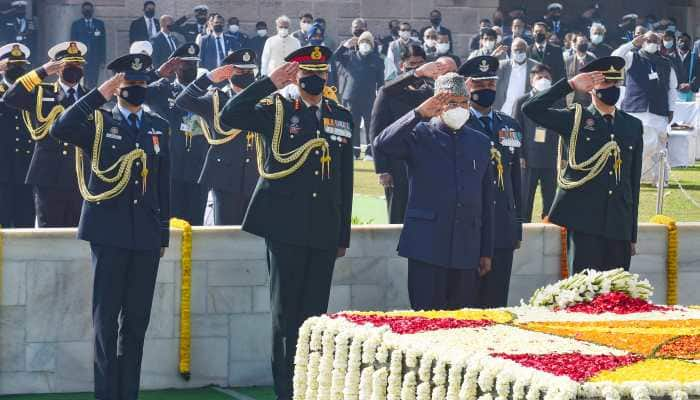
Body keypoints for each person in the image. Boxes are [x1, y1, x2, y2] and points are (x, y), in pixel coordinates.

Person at [219, 45, 353, 400]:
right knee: (284, 317)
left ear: (327, 76)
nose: (315, 79)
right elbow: (231, 116)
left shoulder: (339, 115)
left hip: (323, 230)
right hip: (285, 229)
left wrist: (342, 235)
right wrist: (269, 83)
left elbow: (345, 179)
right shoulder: (276, 109)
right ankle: (286, 392)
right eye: (307, 73)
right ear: (295, 74)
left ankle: (309, 388)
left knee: (314, 319)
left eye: (321, 73)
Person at [50, 51, 170, 400]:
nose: (138, 89)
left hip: (146, 236)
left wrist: (162, 233)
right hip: (108, 232)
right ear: (118, 86)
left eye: (142, 83)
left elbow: (163, 186)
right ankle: (106, 394)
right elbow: (61, 128)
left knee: (136, 322)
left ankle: (128, 393)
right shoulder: (99, 123)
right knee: (105, 322)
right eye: (130, 83)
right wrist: (97, 95)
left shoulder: (157, 126)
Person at [373, 72, 494, 310]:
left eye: (463, 102)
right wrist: (417, 114)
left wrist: (485, 250)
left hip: (466, 248)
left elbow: (485, 199)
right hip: (427, 246)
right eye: (451, 102)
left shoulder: (479, 142)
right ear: (437, 104)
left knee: (461, 323)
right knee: (426, 318)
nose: (458, 108)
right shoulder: (418, 133)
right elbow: (382, 144)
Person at [523, 56, 642, 272]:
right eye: (606, 83)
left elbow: (632, 182)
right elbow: (531, 109)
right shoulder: (575, 118)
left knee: (618, 296)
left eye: (615, 83)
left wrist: (631, 233)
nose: (612, 88)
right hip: (585, 220)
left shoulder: (633, 125)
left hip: (619, 222)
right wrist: (569, 86)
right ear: (591, 87)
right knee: (583, 292)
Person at [4, 41, 89, 227]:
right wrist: (42, 71)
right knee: (49, 232)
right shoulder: (42, 93)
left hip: (80, 176)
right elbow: (10, 97)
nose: (74, 69)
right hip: (49, 176)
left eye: (77, 64)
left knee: (78, 234)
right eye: (68, 65)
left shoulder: (89, 96)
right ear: (57, 68)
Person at [462, 56, 523, 308]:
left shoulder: (509, 125)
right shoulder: (459, 122)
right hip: (470, 223)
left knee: (497, 301)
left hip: (502, 226)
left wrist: (517, 225)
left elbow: (516, 180)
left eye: (490, 83)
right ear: (467, 86)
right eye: (479, 84)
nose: (486, 89)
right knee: (468, 303)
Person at [176, 48, 259, 225]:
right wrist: (208, 79)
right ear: (229, 73)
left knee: (254, 240)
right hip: (225, 179)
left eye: (249, 71)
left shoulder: (261, 100)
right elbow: (182, 100)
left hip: (255, 176)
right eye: (241, 71)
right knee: (226, 236)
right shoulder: (215, 100)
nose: (246, 75)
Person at [371, 47, 452, 224]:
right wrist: (382, 170)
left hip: (424, 162)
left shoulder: (429, 91)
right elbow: (376, 131)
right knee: (398, 214)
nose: (417, 67)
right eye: (412, 64)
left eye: (421, 63)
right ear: (402, 66)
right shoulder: (388, 93)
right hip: (396, 165)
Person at [146, 43, 208, 225]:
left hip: (199, 169)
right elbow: (136, 93)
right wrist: (157, 74)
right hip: (170, 168)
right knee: (170, 222)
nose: (192, 68)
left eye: (194, 64)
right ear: (176, 67)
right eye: (186, 64)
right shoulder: (162, 89)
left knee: (196, 224)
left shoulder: (207, 92)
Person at [613, 32, 677, 184]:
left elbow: (672, 88)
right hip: (635, 110)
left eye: (655, 40)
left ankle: (660, 179)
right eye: (649, 40)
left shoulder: (666, 62)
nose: (652, 43)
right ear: (642, 41)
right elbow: (615, 57)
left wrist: (671, 109)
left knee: (659, 147)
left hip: (658, 111)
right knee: (633, 146)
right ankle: (631, 177)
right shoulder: (631, 57)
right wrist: (632, 44)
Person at [512, 64, 561, 222]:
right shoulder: (521, 101)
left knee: (551, 199)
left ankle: (549, 226)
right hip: (528, 159)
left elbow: (564, 130)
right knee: (525, 199)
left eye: (547, 77)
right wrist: (519, 155)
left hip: (551, 158)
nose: (543, 80)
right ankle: (523, 230)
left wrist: (564, 156)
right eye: (539, 77)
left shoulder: (557, 101)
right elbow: (515, 130)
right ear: (531, 80)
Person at [0, 43, 35, 228]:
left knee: (26, 223)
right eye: (12, 66)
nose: (16, 70)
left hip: (25, 168)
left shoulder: (33, 93)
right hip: (2, 171)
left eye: (20, 66)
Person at [335, 31, 384, 159]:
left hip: (369, 98)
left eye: (367, 42)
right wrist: (344, 46)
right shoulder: (349, 56)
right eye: (362, 42)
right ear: (358, 44)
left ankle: (369, 152)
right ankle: (353, 152)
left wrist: (381, 98)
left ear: (372, 45)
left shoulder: (377, 60)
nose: (365, 44)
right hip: (351, 97)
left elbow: (381, 83)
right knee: (353, 125)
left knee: (370, 125)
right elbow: (334, 58)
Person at [495, 37, 538, 115]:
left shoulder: (535, 66)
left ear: (526, 50)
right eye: (516, 50)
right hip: (503, 110)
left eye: (521, 50)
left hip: (523, 112)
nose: (518, 52)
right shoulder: (502, 65)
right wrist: (493, 56)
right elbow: (484, 71)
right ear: (511, 51)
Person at [70, 1, 106, 88]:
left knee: (93, 81)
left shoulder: (99, 24)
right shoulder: (76, 24)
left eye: (89, 9)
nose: (87, 11)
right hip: (81, 57)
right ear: (82, 11)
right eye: (85, 10)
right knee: (81, 80)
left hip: (95, 58)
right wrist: (73, 58)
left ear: (92, 11)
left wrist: (103, 59)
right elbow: (73, 43)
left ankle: (92, 98)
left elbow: (103, 43)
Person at [565, 33, 597, 107]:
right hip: (573, 100)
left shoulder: (593, 60)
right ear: (575, 44)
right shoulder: (568, 61)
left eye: (585, 42)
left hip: (589, 100)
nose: (584, 44)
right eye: (581, 42)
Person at [670, 33, 699, 101]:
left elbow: (698, 74)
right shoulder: (670, 57)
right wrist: (678, 86)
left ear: (690, 43)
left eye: (686, 41)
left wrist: (690, 85)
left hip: (690, 93)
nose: (683, 43)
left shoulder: (695, 57)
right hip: (674, 92)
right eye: (681, 41)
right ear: (677, 42)